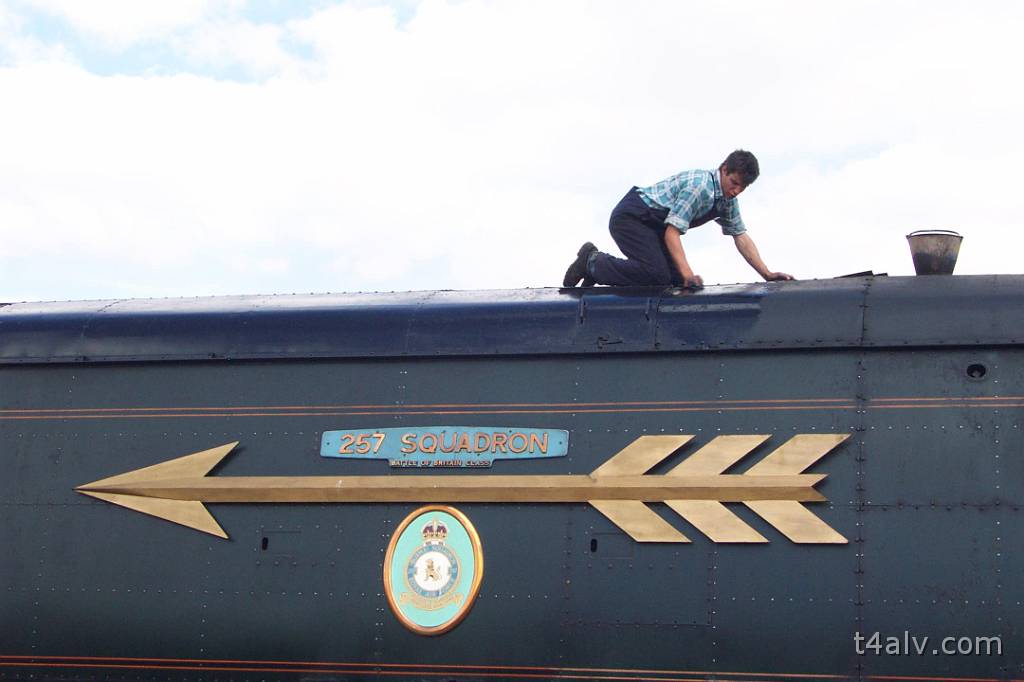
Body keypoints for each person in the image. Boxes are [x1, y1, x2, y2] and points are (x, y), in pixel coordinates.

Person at [563, 150, 793, 289]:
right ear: (723, 169)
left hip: (654, 226)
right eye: (734, 183)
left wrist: (767, 274)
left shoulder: (726, 199)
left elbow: (740, 236)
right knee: (657, 274)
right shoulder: (700, 187)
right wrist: (689, 274)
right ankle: (592, 262)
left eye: (743, 187)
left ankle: (603, 270)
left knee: (673, 284)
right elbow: (672, 232)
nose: (736, 191)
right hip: (633, 217)